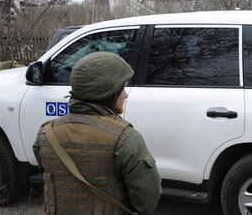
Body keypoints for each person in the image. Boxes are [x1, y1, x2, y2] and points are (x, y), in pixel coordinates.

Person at [34, 52, 161, 214]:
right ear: (108, 92)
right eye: (122, 88)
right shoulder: (126, 138)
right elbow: (147, 201)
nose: (126, 94)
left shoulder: (46, 133)